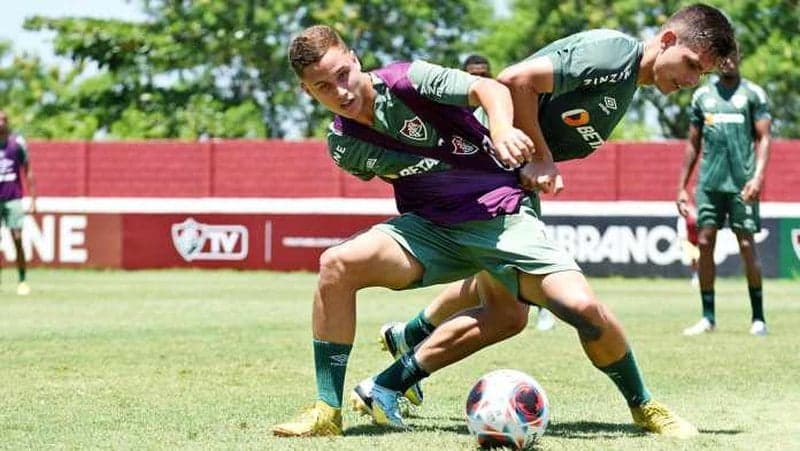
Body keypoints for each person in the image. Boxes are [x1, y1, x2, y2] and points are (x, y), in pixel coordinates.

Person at [273, 3, 733, 439]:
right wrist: (531, 157)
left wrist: (504, 133)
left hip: (501, 212)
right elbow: (512, 85)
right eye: (323, 88)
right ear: (306, 92)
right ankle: (326, 410)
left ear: (355, 60)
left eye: (343, 75)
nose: (341, 92)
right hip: (432, 229)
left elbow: (491, 87)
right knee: (337, 264)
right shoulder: (343, 147)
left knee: (569, 312)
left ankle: (644, 406)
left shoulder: (407, 79)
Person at [677, 44, 771, 336]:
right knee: (704, 244)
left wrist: (757, 178)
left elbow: (764, 138)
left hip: (742, 185)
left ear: (740, 58)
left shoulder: (753, 94)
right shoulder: (702, 96)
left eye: (733, 56)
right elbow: (693, 143)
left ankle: (758, 319)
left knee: (746, 246)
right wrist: (681, 186)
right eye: (723, 57)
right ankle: (708, 317)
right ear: (716, 62)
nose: (728, 62)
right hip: (710, 184)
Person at [460, 52, 556, 331]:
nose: (479, 78)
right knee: (479, 264)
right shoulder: (455, 111)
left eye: (484, 73)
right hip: (477, 196)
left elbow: (525, 137)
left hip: (515, 189)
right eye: (473, 74)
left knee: (532, 249)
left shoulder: (503, 106)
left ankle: (542, 309)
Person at [0, 110, 36, 296]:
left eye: (3, 119)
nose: (0, 123)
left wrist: (33, 198)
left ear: (8, 122)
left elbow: (28, 170)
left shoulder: (17, 143)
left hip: (13, 198)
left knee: (17, 239)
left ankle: (22, 280)